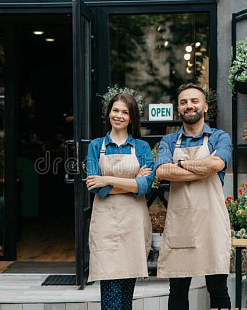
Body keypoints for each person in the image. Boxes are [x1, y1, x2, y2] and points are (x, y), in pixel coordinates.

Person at [155, 83, 232, 310]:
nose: (189, 106)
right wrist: (203, 166)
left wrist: (179, 164)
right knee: (177, 290)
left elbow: (218, 164)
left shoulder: (220, 137)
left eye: (194, 101)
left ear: (205, 107)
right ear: (179, 109)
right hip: (181, 224)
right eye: (184, 102)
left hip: (211, 223)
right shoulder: (169, 141)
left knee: (218, 289)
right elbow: (161, 171)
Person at [86, 93, 155, 310]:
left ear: (132, 118)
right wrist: (132, 182)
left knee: (127, 286)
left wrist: (107, 178)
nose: (119, 115)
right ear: (108, 114)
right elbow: (95, 187)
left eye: (125, 112)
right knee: (110, 282)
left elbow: (146, 186)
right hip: (105, 222)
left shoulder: (142, 147)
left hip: (133, 223)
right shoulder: (96, 146)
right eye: (115, 110)